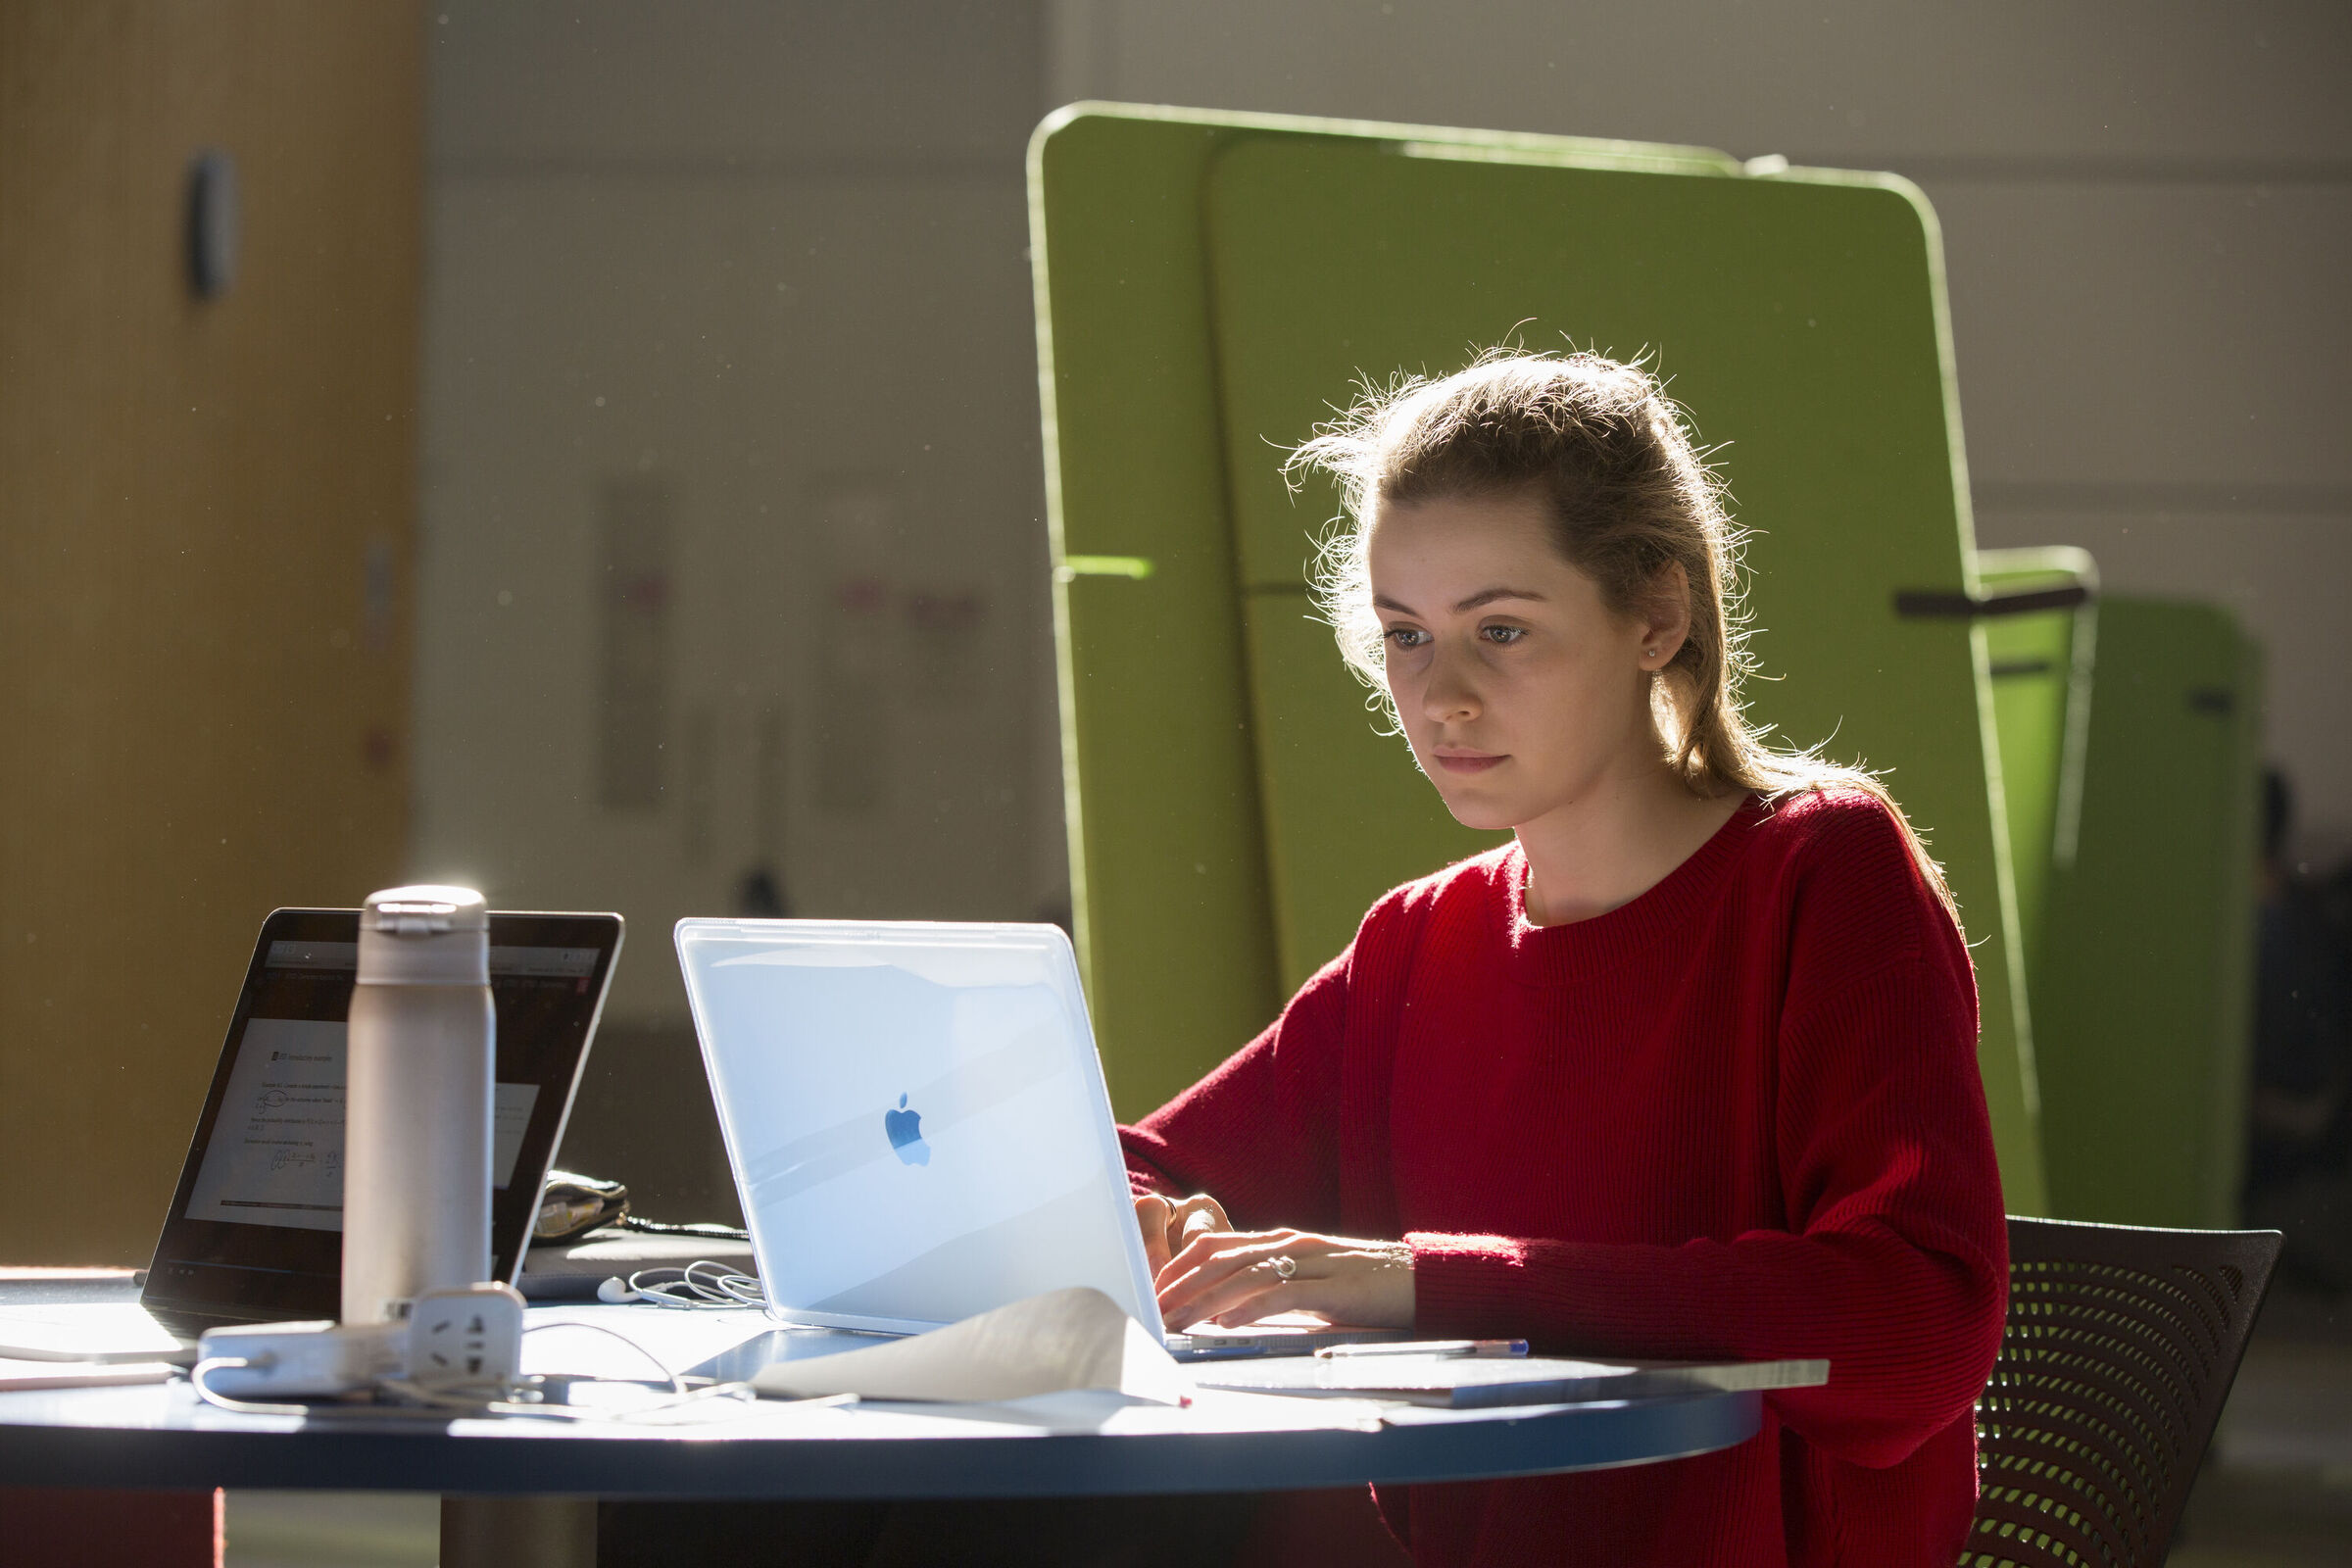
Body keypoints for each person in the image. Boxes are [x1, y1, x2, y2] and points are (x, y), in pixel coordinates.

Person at [1120, 351, 2009, 1567]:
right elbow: (1133, 1163)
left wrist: (1426, 1282)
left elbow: (1918, 1319)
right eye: (1406, 634)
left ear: (1657, 616)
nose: (1442, 696)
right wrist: (1145, 1224)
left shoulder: (1821, 868)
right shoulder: (1418, 940)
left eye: (1502, 630)